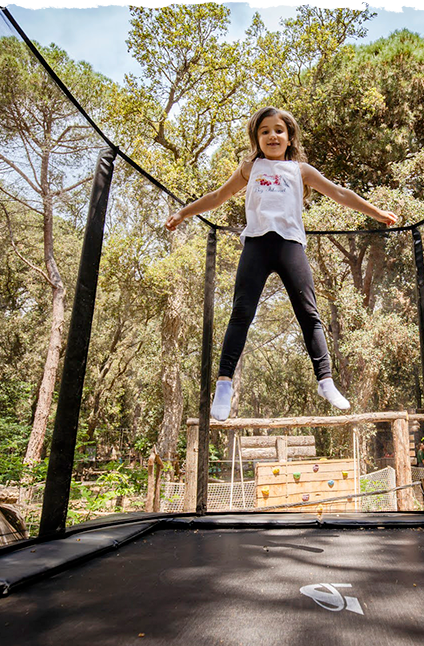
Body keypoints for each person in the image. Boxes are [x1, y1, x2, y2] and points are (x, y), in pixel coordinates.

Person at [166, 106, 398, 420]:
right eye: (264, 131)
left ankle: (325, 380)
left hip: (290, 246)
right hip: (257, 245)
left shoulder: (301, 170)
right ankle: (223, 384)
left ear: (289, 137)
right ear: (256, 138)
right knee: (241, 312)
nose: (272, 136)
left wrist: (377, 213)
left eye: (278, 130)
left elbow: (341, 194)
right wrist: (183, 213)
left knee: (309, 313)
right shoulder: (251, 167)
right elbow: (218, 196)